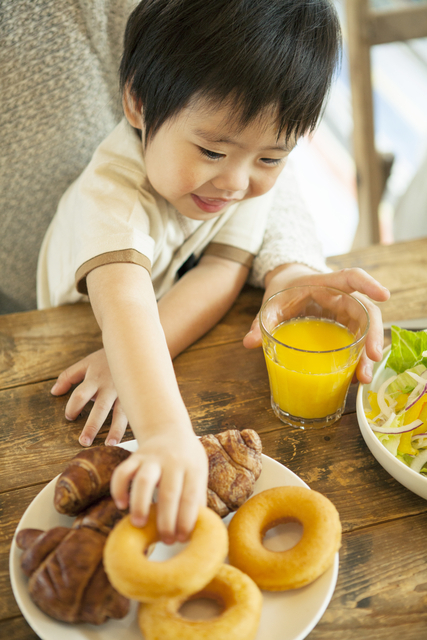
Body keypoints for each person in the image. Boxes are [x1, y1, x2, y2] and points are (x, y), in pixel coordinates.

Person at [37, 0, 389, 545]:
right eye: (209, 150)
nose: (236, 182)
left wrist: (132, 355)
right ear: (136, 101)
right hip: (65, 347)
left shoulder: (236, 169)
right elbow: (124, 301)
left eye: (272, 159)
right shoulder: (110, 195)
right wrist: (166, 433)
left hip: (125, 351)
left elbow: (225, 267)